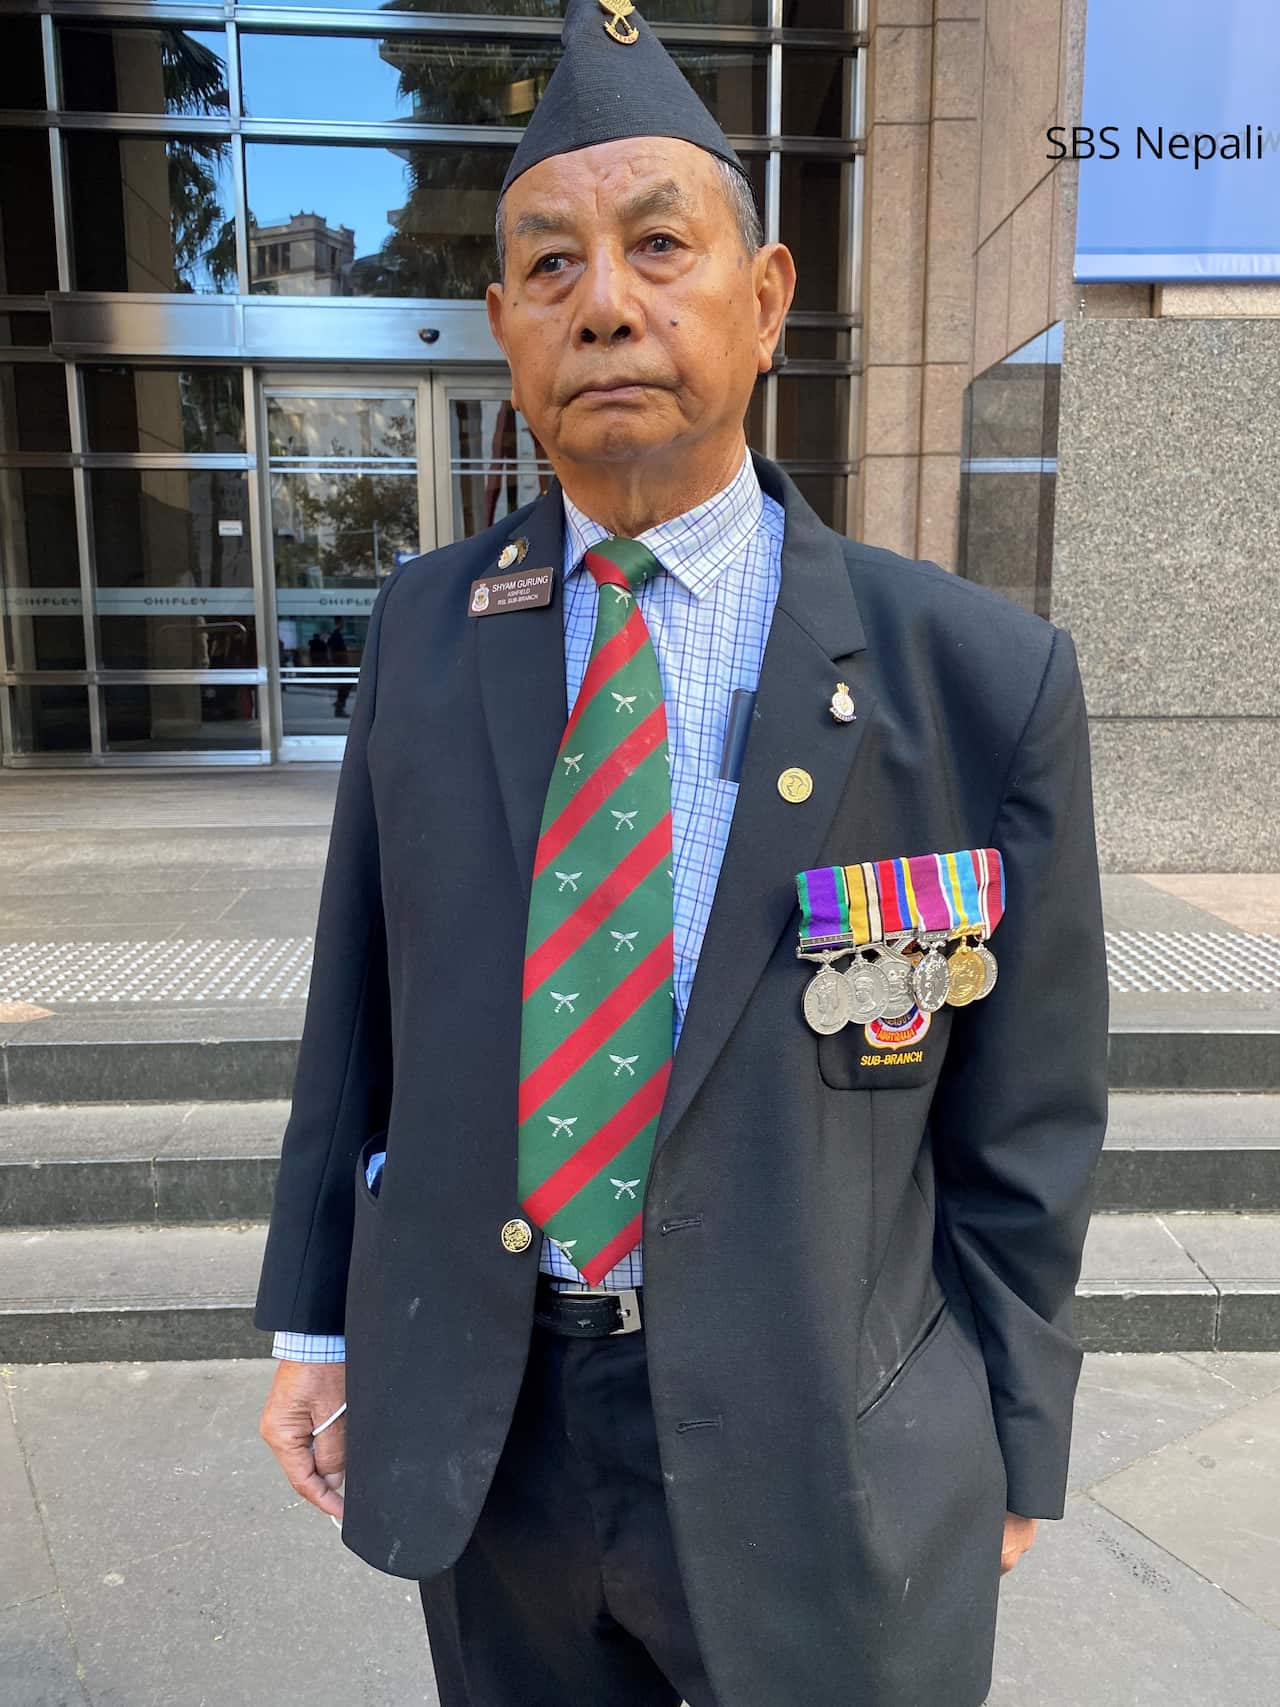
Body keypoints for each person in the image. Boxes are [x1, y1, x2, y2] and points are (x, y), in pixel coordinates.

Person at [254, 2, 1109, 1702]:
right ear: (504, 324)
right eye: (551, 266)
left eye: (659, 244)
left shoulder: (976, 680)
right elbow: (359, 1015)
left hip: (833, 1455)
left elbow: (1028, 1115)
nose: (609, 302)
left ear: (767, 296)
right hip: (499, 1442)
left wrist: (1013, 1431)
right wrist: (315, 1322)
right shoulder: (425, 631)